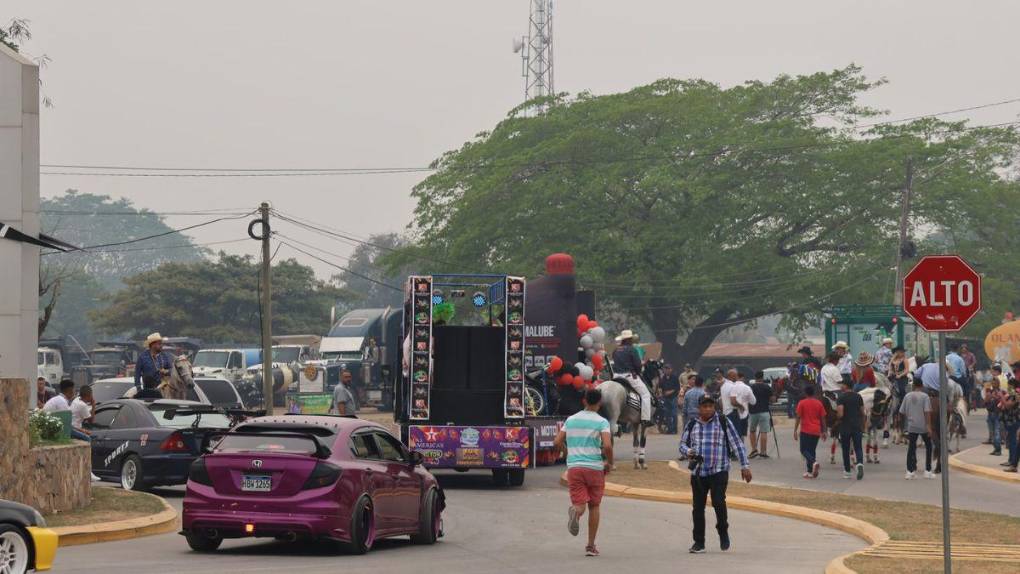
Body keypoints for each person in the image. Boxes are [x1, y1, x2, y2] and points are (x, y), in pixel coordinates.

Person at [679, 395, 752, 554]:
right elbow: (682, 445)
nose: (708, 409)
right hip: (698, 472)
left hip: (719, 470)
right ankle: (699, 543)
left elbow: (737, 444)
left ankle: (723, 530)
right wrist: (689, 451)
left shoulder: (723, 422)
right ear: (699, 408)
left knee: (718, 502)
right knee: (697, 508)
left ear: (714, 407)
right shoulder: (692, 424)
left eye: (710, 406)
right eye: (704, 406)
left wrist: (745, 466)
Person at [554, 387, 612, 557]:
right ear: (600, 403)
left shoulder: (571, 420)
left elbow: (557, 441)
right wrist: (609, 462)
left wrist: (565, 451)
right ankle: (590, 546)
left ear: (584, 401)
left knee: (580, 504)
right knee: (594, 505)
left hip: (575, 467)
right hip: (594, 467)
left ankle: (576, 512)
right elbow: (607, 446)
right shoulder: (602, 422)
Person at [611, 329, 652, 425]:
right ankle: (645, 419)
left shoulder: (616, 350)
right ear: (629, 339)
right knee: (646, 395)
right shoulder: (632, 349)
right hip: (629, 376)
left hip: (616, 376)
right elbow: (637, 365)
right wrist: (638, 372)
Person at [900, 379, 934, 479]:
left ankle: (909, 471)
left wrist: (909, 418)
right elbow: (927, 412)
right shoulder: (925, 396)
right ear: (922, 386)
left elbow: (902, 412)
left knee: (911, 447)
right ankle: (927, 471)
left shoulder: (907, 396)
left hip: (911, 425)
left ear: (913, 385)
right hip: (923, 425)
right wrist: (928, 426)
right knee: (929, 446)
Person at [836, 378, 866, 480]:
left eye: (842, 384)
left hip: (845, 426)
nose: (840, 386)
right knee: (858, 447)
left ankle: (847, 471)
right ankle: (860, 464)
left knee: (845, 449)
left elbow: (841, 414)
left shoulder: (841, 397)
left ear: (845, 386)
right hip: (857, 425)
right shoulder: (858, 397)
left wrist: (837, 417)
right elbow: (863, 412)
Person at [794, 385, 826, 479]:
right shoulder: (819, 403)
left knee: (803, 450)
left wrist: (795, 430)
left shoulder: (802, 403)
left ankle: (814, 462)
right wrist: (824, 431)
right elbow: (823, 418)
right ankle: (809, 471)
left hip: (806, 430)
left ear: (805, 393)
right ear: (813, 393)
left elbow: (798, 417)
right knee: (811, 450)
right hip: (816, 430)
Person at [748, 372, 774, 459]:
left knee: (752, 431)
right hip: (764, 411)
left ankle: (754, 450)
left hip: (753, 411)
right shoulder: (767, 387)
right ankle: (763, 452)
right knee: (764, 432)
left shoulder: (751, 387)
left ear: (755, 377)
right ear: (762, 377)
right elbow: (772, 399)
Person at [999, 379, 1020, 473]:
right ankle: (1012, 463)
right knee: (1013, 442)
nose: (1008, 387)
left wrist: (1001, 397)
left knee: (1013, 443)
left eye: (1009, 385)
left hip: (1014, 421)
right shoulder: (1012, 394)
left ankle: (1012, 462)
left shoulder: (1016, 394)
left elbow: (1008, 405)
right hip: (1011, 421)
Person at [985, 370, 1005, 455]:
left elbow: (1002, 403)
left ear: (998, 383)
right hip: (990, 414)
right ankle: (996, 449)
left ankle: (999, 450)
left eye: (995, 382)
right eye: (992, 382)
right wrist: (988, 397)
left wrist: (997, 397)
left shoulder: (1001, 392)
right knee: (992, 434)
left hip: (997, 415)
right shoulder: (989, 391)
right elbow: (985, 403)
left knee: (997, 433)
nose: (993, 384)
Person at [658, 364, 681, 434]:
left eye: (668, 369)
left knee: (674, 414)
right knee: (667, 414)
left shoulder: (675, 377)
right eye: (665, 369)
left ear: (671, 369)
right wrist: (660, 392)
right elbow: (660, 387)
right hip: (665, 398)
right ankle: (669, 429)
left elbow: (677, 388)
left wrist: (670, 392)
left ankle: (674, 429)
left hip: (673, 397)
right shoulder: (663, 378)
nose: (667, 370)